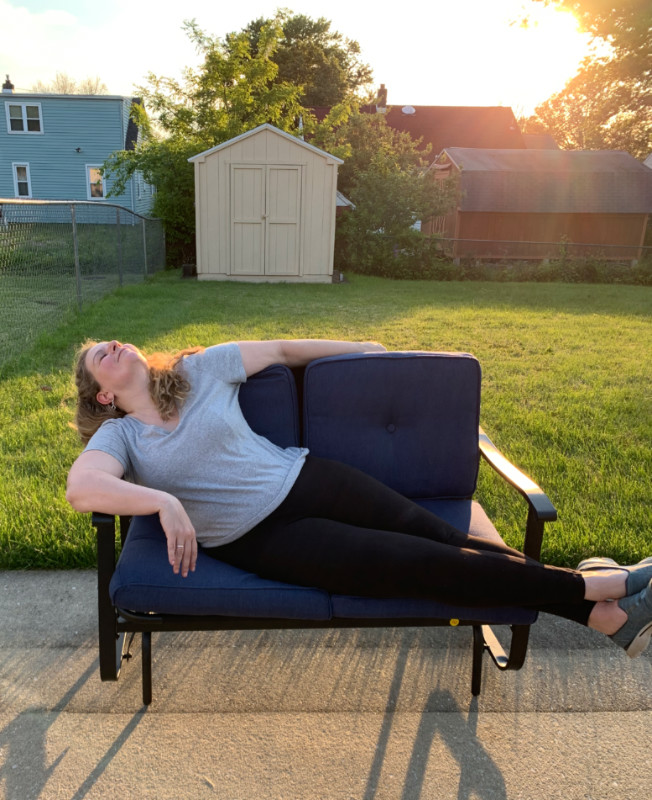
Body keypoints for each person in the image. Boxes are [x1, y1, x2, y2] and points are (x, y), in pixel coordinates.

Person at [66, 338, 652, 659]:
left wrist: (365, 347)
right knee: (418, 563)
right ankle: (593, 589)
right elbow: (81, 488)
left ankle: (602, 616)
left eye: (114, 342)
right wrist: (163, 503)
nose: (113, 346)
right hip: (261, 537)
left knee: (445, 538)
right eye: (101, 355)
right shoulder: (122, 436)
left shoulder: (202, 369)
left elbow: (284, 350)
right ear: (103, 396)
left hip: (309, 477)